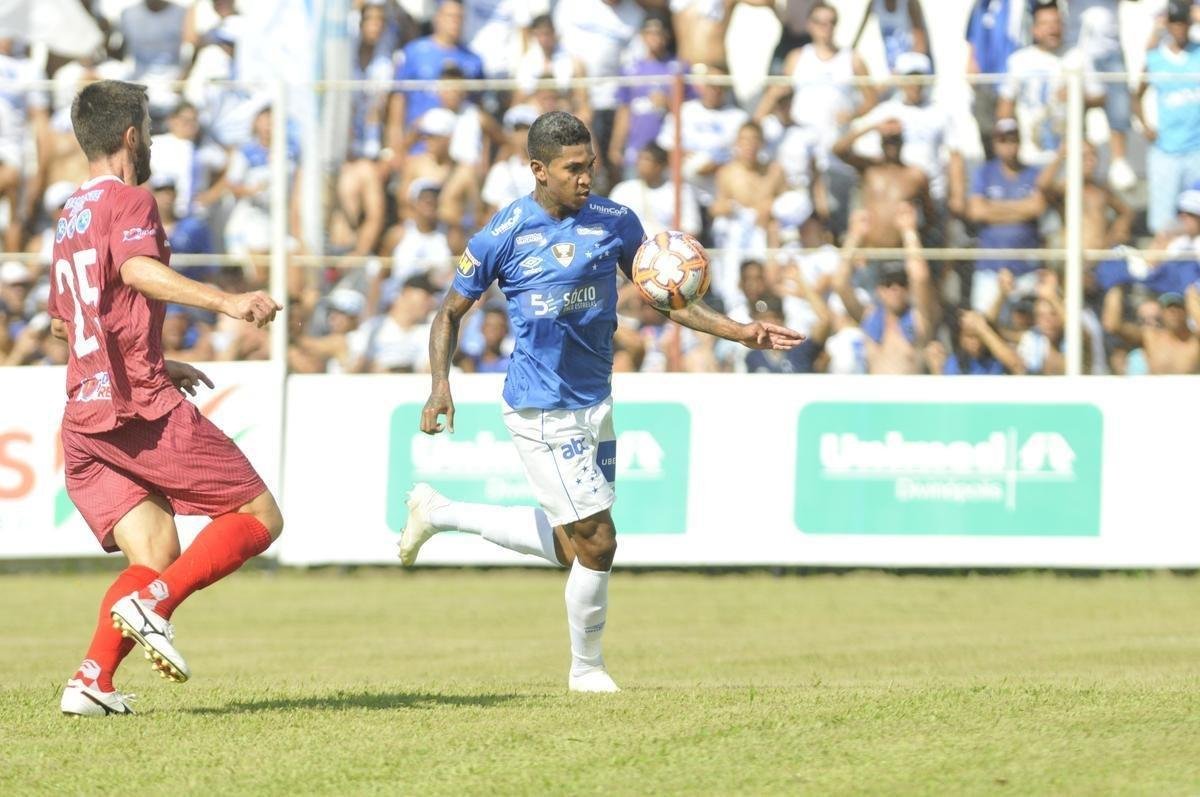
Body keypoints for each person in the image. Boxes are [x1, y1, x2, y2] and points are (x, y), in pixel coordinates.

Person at [398, 111, 802, 693]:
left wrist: (739, 330)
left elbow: (665, 294)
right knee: (600, 540)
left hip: (596, 399)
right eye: (573, 169)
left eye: (590, 166)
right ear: (538, 170)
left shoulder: (615, 221)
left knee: (573, 546)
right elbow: (449, 313)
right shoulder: (504, 233)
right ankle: (586, 670)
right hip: (539, 404)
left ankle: (439, 512)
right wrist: (440, 384)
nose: (586, 178)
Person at [51, 81, 284, 717]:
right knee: (259, 517)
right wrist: (228, 301)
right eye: (148, 127)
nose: (150, 138)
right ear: (131, 136)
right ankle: (154, 606)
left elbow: (64, 320)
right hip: (138, 411)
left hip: (84, 415)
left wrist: (151, 352)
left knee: (154, 555)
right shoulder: (131, 199)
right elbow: (135, 272)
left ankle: (93, 679)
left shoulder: (70, 212)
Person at [1134, 0, 1200, 235]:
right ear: (1168, 26)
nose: (1179, 29)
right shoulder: (1156, 59)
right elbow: (1137, 94)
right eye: (1175, 24)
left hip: (1197, 149)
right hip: (1167, 150)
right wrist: (1144, 126)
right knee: (1162, 223)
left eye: (1183, 23)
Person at [1102, 286, 1200, 374]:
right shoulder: (1151, 337)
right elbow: (1112, 326)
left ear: (1186, 312)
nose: (1173, 313)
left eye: (1178, 308)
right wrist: (1116, 289)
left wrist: (1192, 298)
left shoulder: (1195, 340)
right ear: (1162, 314)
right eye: (1168, 309)